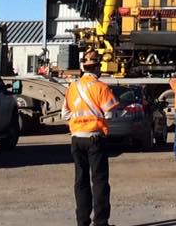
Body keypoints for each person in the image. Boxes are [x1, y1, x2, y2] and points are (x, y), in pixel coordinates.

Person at [62, 50, 119, 226]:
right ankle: (101, 223)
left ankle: (82, 222)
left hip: (77, 139)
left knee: (81, 182)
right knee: (100, 181)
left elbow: (65, 114)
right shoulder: (101, 87)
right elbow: (110, 114)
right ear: (96, 67)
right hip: (95, 138)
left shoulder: (72, 87)